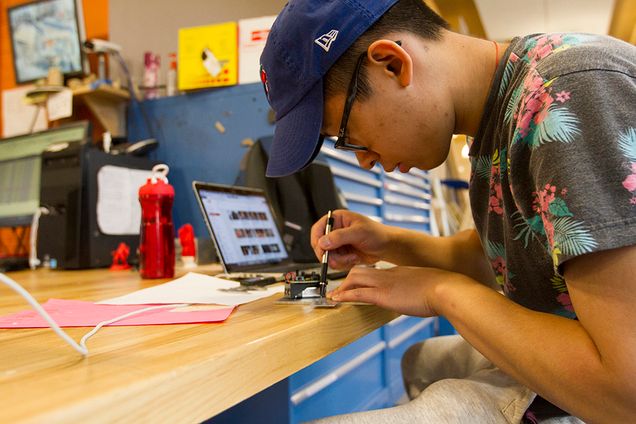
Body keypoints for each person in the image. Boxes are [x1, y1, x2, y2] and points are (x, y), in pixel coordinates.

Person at [259, 0, 636, 422]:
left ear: (392, 64)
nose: (363, 160)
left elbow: (625, 391)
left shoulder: (569, 94)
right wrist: (387, 242)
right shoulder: (499, 113)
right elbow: (499, 258)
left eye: (345, 135)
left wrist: (441, 292)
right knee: (422, 361)